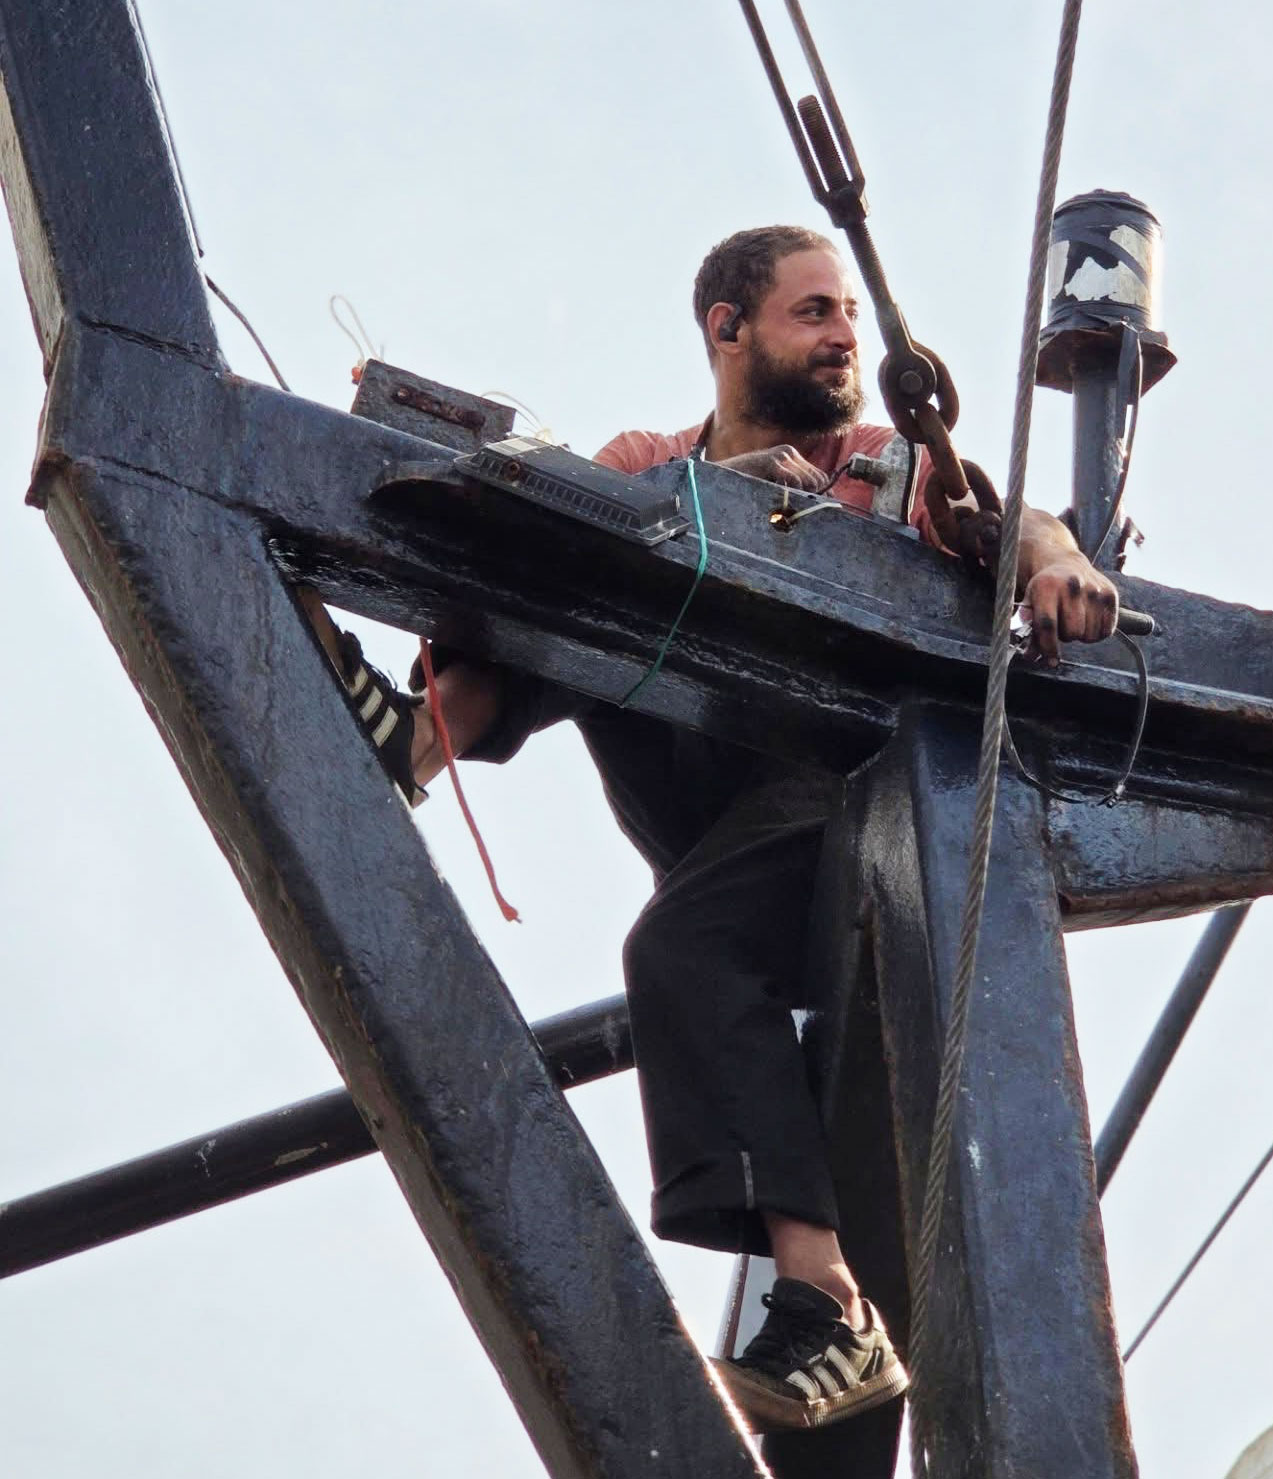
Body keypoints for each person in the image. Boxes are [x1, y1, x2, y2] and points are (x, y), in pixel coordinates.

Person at [314, 225, 1117, 1432]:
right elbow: (587, 525)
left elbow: (1010, 523)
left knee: (681, 949)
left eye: (849, 314)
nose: (845, 336)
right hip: (704, 812)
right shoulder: (656, 460)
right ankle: (419, 741)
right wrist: (719, 497)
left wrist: (1058, 564)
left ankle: (828, 1301)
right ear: (728, 331)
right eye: (813, 312)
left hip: (831, 800)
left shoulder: (880, 467)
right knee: (577, 546)